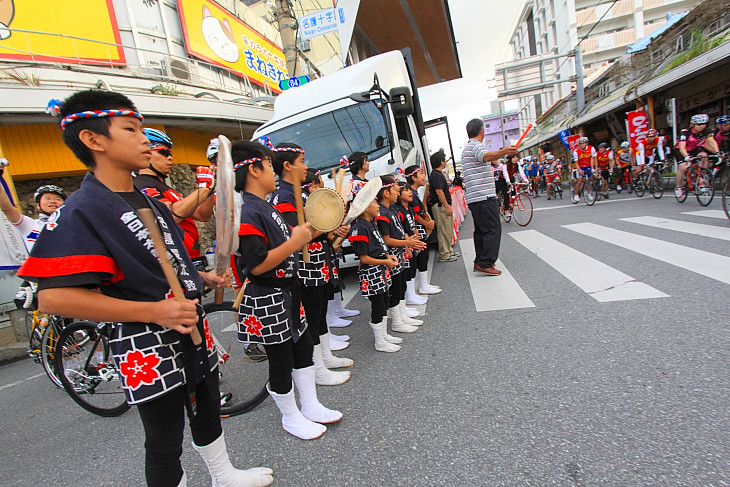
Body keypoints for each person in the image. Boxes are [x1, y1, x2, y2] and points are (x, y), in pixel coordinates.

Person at [18, 90, 273, 487]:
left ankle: (224, 476)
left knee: (206, 409)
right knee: (164, 438)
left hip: (188, 322)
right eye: (131, 129)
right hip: (144, 340)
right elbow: (54, 296)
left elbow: (166, 259)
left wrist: (200, 277)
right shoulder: (81, 210)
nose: (144, 139)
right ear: (94, 140)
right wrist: (153, 311)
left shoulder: (145, 198)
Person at [233, 140, 342, 441]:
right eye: (268, 165)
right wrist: (296, 242)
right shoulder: (248, 212)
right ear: (254, 170)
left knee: (303, 347)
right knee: (281, 359)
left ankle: (310, 404)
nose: (271, 171)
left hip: (288, 292)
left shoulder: (263, 207)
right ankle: (290, 416)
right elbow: (256, 266)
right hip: (268, 294)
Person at [269, 144, 351, 387]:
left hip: (317, 262)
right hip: (304, 267)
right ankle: (317, 369)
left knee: (319, 315)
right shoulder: (283, 196)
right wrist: (326, 227)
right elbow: (297, 234)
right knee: (311, 318)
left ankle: (325, 358)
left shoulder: (300, 193)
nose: (306, 166)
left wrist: (332, 229)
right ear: (287, 165)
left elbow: (316, 229)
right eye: (302, 161)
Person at [134, 128, 215, 270]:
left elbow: (203, 215)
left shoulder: (165, 188)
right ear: (146, 153)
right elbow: (169, 215)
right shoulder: (141, 184)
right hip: (175, 261)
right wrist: (202, 189)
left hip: (190, 257)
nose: (170, 157)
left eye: (170, 153)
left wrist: (210, 190)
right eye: (163, 152)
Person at [461, 118, 518, 276]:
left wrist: (496, 157)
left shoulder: (467, 148)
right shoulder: (476, 146)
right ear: (482, 131)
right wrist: (505, 151)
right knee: (493, 229)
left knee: (481, 231)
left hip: (475, 197)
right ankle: (485, 262)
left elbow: (486, 158)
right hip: (483, 196)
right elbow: (485, 156)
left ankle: (481, 261)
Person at [347, 184, 400, 352]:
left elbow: (377, 248)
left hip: (380, 269)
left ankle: (383, 335)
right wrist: (385, 262)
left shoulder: (370, 223)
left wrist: (386, 256)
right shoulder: (360, 227)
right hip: (371, 272)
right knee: (378, 305)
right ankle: (379, 341)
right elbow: (364, 258)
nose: (378, 205)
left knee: (384, 302)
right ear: (365, 208)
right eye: (374, 203)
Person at [377, 175, 427, 333]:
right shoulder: (382, 212)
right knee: (394, 290)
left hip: (399, 255)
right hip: (390, 257)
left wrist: (408, 240)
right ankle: (397, 322)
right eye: (395, 187)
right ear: (386, 193)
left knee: (400, 286)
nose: (398, 190)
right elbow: (387, 240)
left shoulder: (392, 208)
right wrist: (408, 243)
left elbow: (399, 231)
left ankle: (402, 316)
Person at [0, 178, 66, 253]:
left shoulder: (72, 226)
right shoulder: (30, 224)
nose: (53, 201)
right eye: (47, 198)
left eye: (57, 199)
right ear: (38, 205)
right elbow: (7, 209)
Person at [404, 165, 441, 295]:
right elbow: (415, 216)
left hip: (419, 228)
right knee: (419, 258)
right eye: (420, 173)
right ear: (413, 178)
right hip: (415, 229)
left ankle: (424, 285)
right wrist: (427, 224)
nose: (423, 175)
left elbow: (421, 210)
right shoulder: (411, 195)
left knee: (423, 256)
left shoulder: (414, 193)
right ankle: (420, 288)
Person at [393, 182, 426, 306]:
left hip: (412, 243)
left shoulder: (410, 209)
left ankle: (412, 294)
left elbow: (414, 226)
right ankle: (409, 297)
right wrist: (407, 247)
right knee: (406, 272)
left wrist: (417, 241)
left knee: (412, 269)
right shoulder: (399, 211)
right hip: (405, 245)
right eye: (406, 190)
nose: (410, 192)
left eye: (409, 190)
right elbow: (401, 231)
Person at [675, 114, 719, 199]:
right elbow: (682, 147)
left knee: (704, 156)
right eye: (699, 124)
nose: (702, 126)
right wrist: (686, 156)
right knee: (683, 168)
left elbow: (711, 141)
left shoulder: (706, 130)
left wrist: (718, 152)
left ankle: (702, 177)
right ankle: (678, 187)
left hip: (694, 149)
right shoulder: (685, 132)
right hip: (680, 150)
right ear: (692, 124)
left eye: (704, 124)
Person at [429, 150, 458, 262]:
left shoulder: (437, 174)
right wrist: (447, 206)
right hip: (440, 206)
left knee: (447, 229)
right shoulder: (436, 175)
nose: (446, 161)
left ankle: (448, 251)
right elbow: (439, 192)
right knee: (443, 230)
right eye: (444, 159)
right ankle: (445, 254)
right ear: (441, 161)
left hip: (442, 206)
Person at [571, 137, 597, 202]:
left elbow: (594, 158)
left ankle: (588, 192)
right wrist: (579, 170)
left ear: (586, 143)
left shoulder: (591, 148)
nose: (582, 145)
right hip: (580, 166)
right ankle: (576, 194)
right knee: (579, 181)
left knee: (589, 180)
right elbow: (576, 163)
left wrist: (595, 168)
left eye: (583, 143)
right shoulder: (576, 152)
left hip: (588, 166)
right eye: (580, 144)